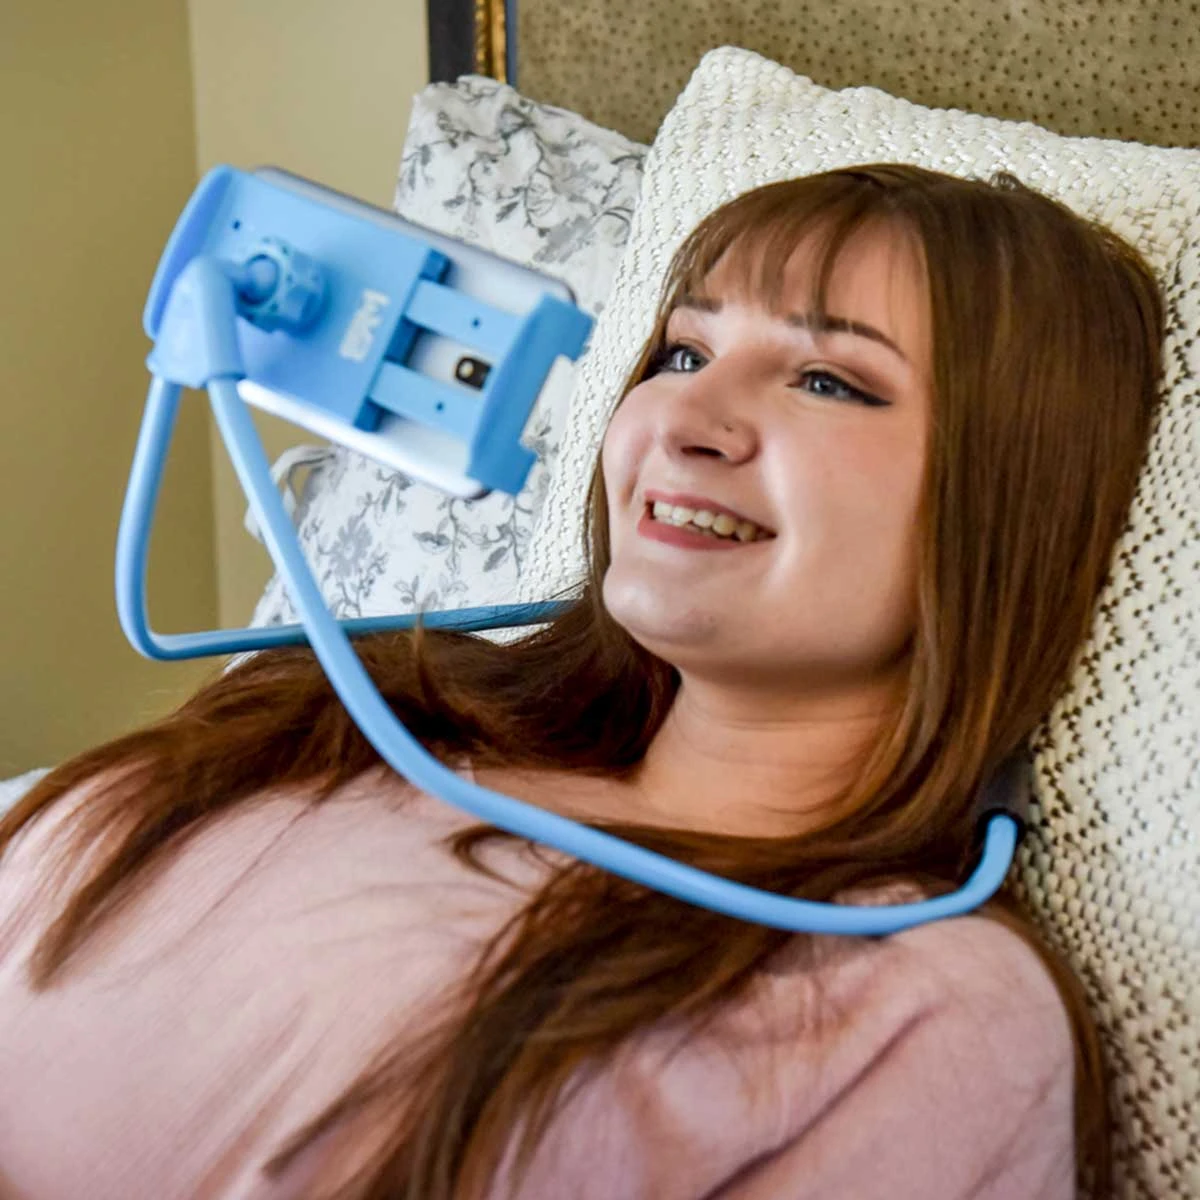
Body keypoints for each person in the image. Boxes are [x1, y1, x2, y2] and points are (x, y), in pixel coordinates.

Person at [0, 164, 1163, 1200]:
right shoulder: (358, 711)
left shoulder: (925, 1010)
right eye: (683, 354)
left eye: (826, 380)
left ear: (1005, 507)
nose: (685, 417)